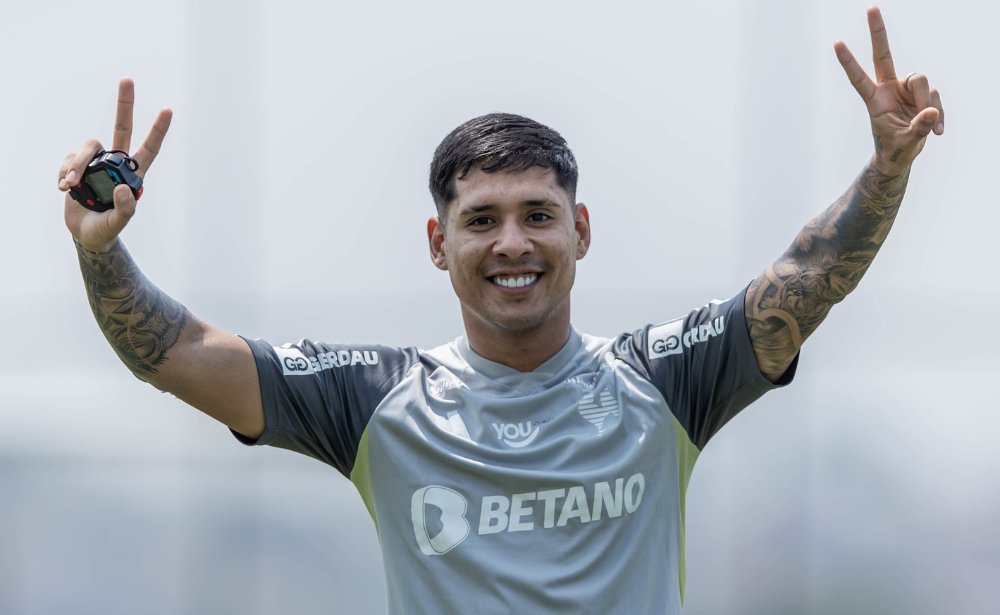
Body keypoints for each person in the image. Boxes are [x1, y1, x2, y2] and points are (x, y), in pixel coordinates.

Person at [57, 7, 943, 614]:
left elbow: (812, 272)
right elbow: (171, 349)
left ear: (580, 230)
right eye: (481, 220)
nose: (511, 243)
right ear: (439, 245)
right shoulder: (372, 402)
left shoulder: (664, 377)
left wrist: (886, 172)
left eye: (537, 216)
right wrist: (103, 252)